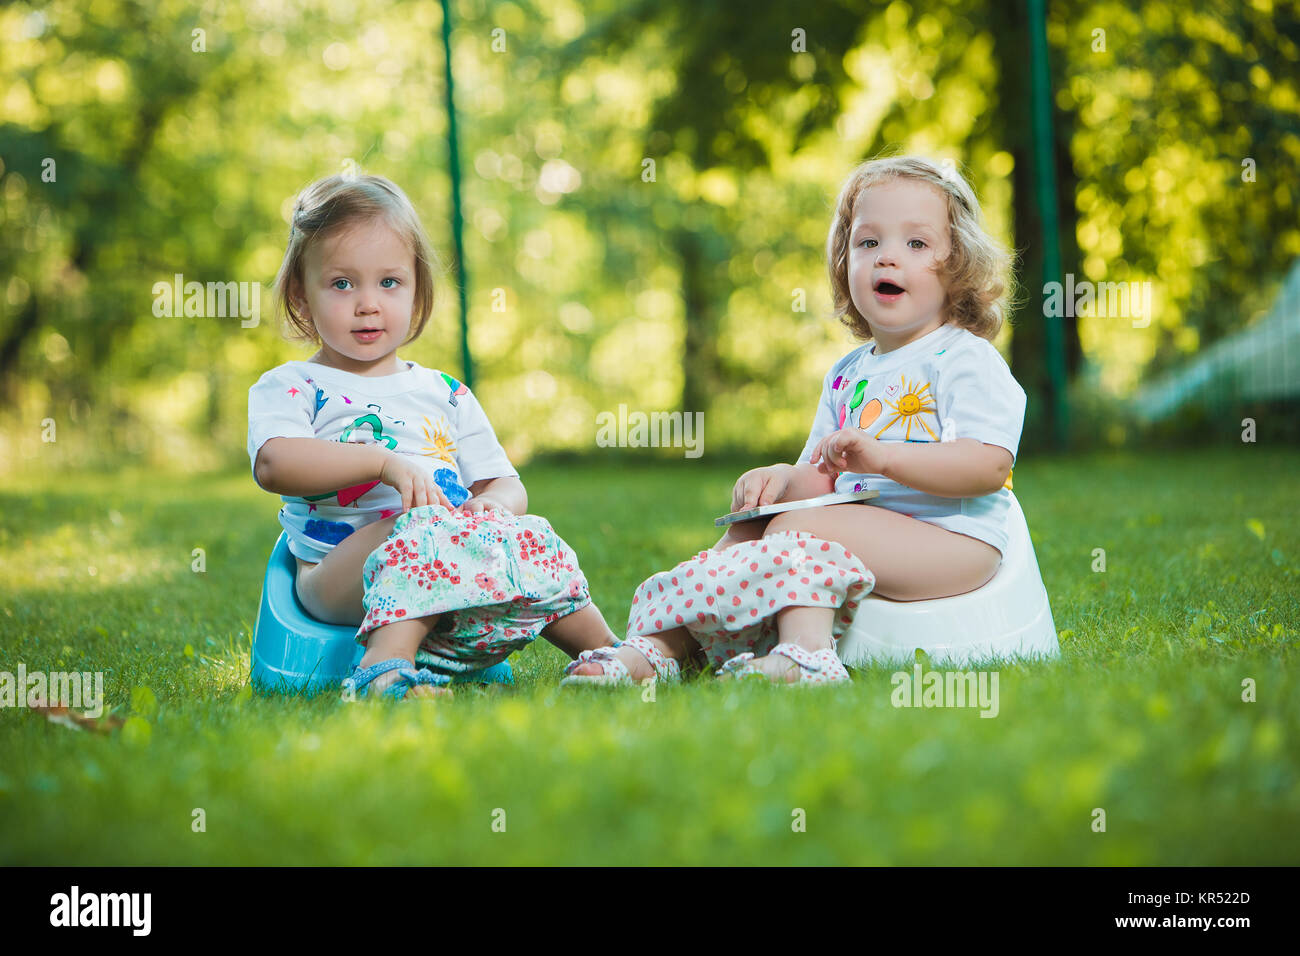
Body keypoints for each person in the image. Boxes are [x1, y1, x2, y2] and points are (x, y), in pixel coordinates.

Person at [563, 155, 1026, 687]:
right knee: (757, 522)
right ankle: (661, 646)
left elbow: (987, 466)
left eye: (916, 244)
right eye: (868, 243)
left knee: (796, 525)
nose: (887, 259)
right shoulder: (848, 373)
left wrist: (883, 457)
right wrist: (780, 479)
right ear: (843, 260)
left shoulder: (967, 359)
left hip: (953, 542)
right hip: (864, 530)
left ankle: (807, 656)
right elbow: (819, 481)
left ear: (959, 263)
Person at [248, 172, 618, 699]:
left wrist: (493, 509)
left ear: (418, 290)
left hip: (449, 557)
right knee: (418, 529)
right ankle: (385, 671)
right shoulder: (293, 386)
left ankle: (608, 652)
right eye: (342, 283)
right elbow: (275, 465)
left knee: (532, 534)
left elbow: (505, 485)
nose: (368, 303)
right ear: (300, 297)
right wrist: (381, 463)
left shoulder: (445, 393)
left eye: (390, 282)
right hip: (337, 578)